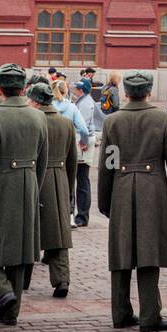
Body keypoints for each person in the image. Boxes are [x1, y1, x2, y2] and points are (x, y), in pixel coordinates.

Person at [97, 70, 167, 332]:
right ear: (149, 92)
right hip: (153, 189)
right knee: (150, 251)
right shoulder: (163, 118)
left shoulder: (112, 121)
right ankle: (150, 315)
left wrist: (105, 200)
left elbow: (108, 163)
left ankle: (120, 312)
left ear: (126, 93)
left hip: (122, 188)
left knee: (122, 251)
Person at [0, 62, 49, 325]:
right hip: (28, 186)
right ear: (23, 88)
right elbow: (43, 160)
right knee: (19, 251)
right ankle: (11, 314)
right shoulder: (38, 116)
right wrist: (33, 188)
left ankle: (1, 292)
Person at [27, 80, 78, 298]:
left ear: (36, 101)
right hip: (59, 179)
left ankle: (22, 279)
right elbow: (72, 160)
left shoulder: (31, 120)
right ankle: (61, 280)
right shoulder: (66, 123)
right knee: (58, 233)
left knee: (28, 231)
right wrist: (69, 188)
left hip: (34, 177)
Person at [71, 78, 97, 227]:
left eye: (77, 89)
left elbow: (84, 126)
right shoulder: (84, 100)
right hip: (83, 140)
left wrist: (84, 142)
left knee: (82, 180)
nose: (75, 91)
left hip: (83, 142)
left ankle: (82, 216)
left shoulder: (85, 103)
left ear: (81, 90)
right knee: (82, 179)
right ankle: (81, 215)